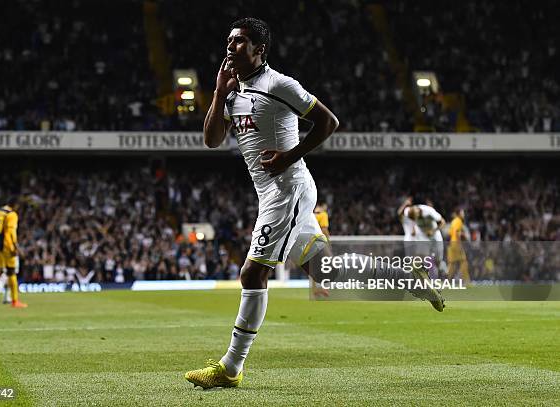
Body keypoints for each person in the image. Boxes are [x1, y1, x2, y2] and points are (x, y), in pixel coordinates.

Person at [185, 17, 442, 390]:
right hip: (271, 193)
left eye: (240, 42)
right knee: (328, 273)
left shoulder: (279, 84)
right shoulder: (232, 92)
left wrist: (289, 156)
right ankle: (408, 276)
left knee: (252, 274)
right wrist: (218, 91)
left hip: (288, 188)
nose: (230, 47)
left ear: (260, 50)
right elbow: (211, 139)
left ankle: (230, 367)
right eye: (229, 40)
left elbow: (328, 122)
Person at [447, 208, 470, 283]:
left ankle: (447, 281)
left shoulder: (453, 221)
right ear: (459, 213)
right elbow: (457, 233)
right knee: (463, 261)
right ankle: (466, 281)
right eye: (462, 213)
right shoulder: (459, 221)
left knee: (452, 264)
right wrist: (459, 244)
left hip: (451, 243)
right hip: (456, 243)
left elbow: (450, 234)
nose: (463, 214)